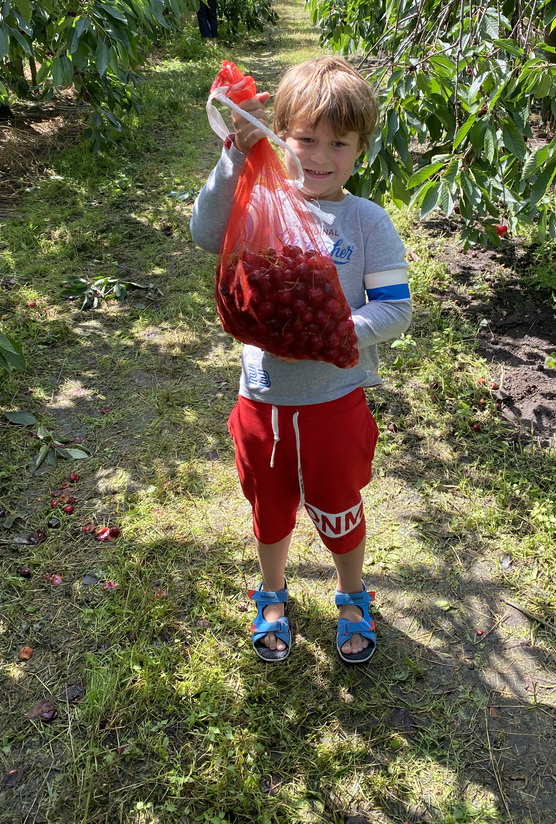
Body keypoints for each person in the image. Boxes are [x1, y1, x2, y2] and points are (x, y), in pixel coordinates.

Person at [190, 56, 412, 664]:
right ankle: (272, 589)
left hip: (334, 403)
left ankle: (351, 593)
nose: (319, 155)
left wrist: (331, 333)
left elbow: (395, 309)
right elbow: (206, 234)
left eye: (338, 143)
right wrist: (235, 155)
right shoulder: (261, 205)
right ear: (280, 137)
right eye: (305, 139)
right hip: (261, 399)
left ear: (361, 149)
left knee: (339, 502)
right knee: (269, 503)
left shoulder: (367, 223)